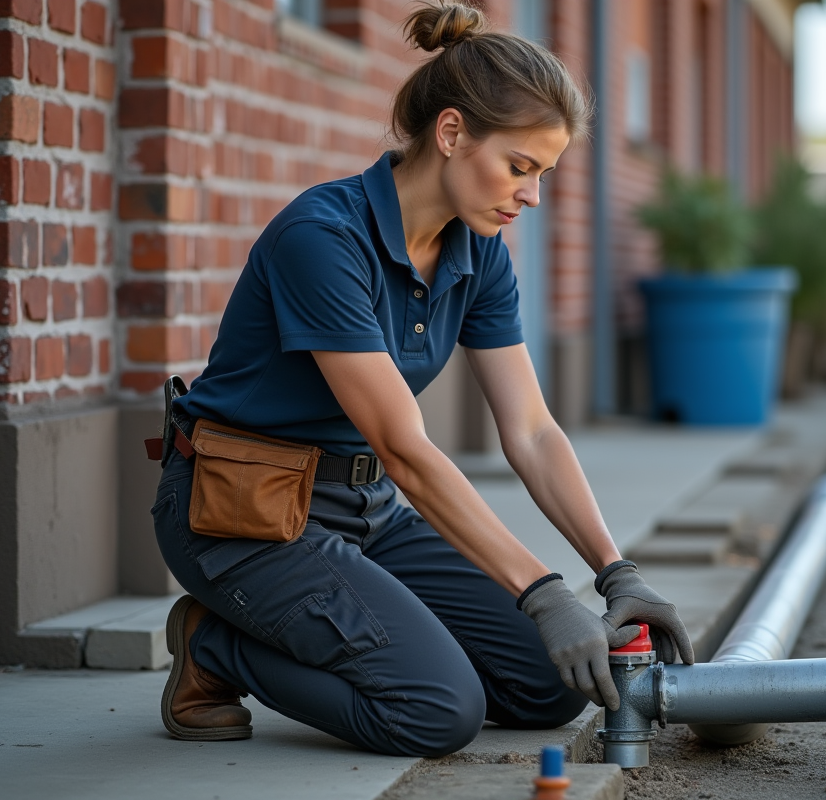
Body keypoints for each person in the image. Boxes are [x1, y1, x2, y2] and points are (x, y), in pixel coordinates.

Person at [151, 1, 693, 758]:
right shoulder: (323, 238)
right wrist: (542, 591)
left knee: (552, 685)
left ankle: (356, 637)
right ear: (450, 134)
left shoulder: (478, 252)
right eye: (520, 166)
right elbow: (404, 446)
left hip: (368, 512)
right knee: (435, 710)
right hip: (244, 515)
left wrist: (614, 571)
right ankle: (215, 646)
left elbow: (533, 430)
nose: (531, 196)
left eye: (542, 174)